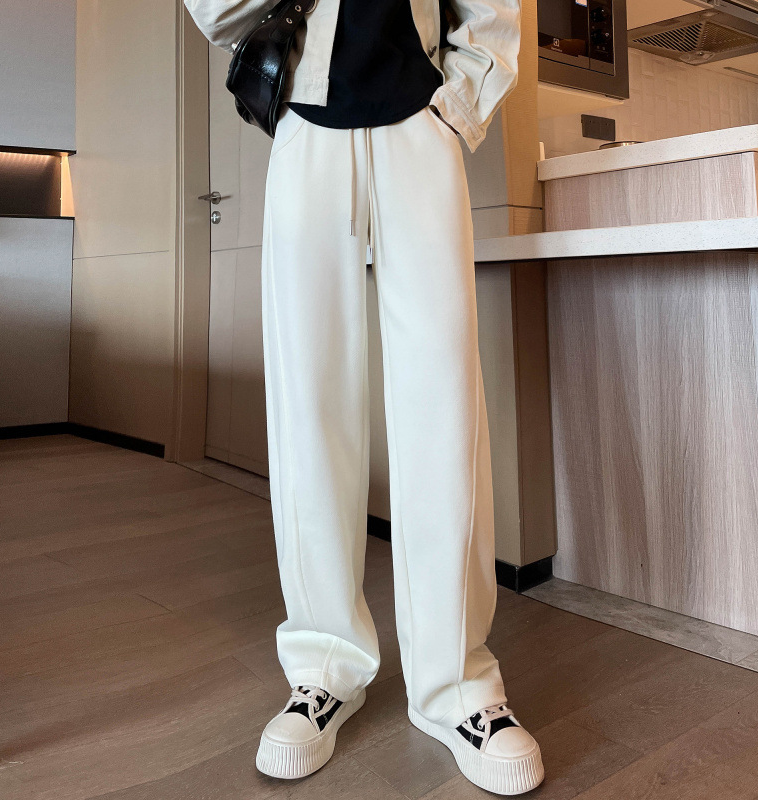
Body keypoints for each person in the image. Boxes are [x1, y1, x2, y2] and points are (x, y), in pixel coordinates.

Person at [184, 0, 544, 793]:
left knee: (444, 402)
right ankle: (324, 666)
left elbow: (491, 11)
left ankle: (456, 682)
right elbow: (215, 11)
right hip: (307, 130)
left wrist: (456, 110)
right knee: (309, 405)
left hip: (421, 123)